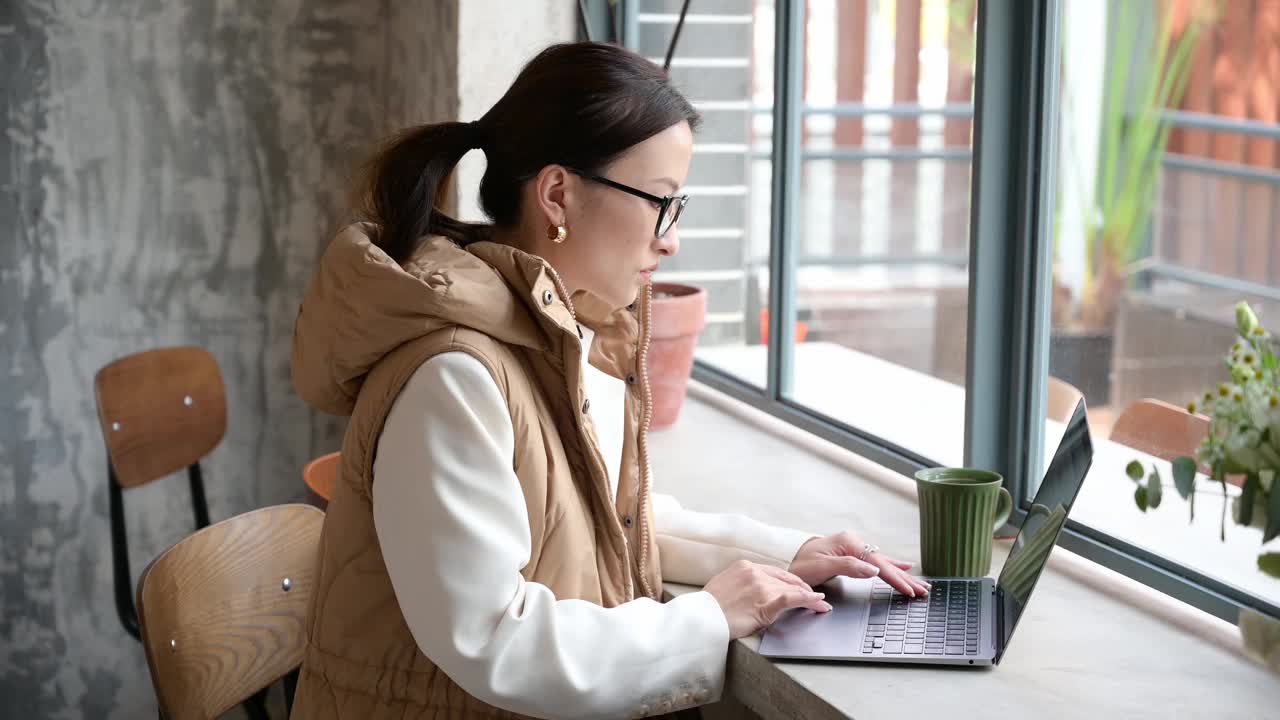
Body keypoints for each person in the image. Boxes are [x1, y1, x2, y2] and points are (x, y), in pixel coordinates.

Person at [288, 41, 928, 720]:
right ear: (558, 195)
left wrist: (788, 554)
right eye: (661, 203)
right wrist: (710, 617)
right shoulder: (452, 377)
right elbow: (494, 640)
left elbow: (598, 519)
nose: (670, 239)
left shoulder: (554, 339)